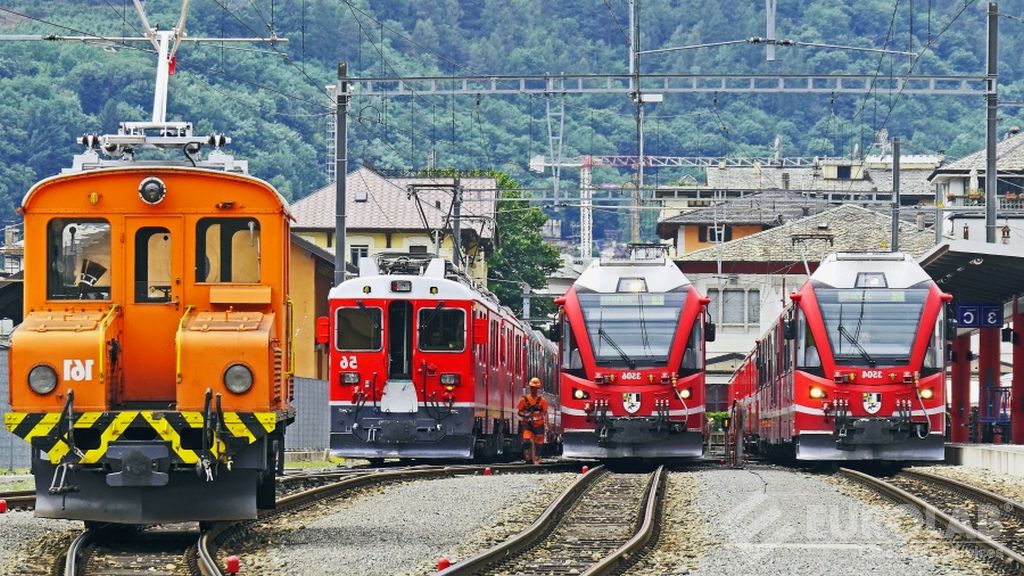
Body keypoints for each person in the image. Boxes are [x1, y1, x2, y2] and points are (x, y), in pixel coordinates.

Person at [517, 377, 548, 464]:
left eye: (535, 388)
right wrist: (525, 415)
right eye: (532, 388)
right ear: (530, 388)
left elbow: (545, 413)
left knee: (539, 444)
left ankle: (537, 457)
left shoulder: (542, 401)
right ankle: (528, 457)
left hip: (539, 425)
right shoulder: (524, 400)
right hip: (528, 425)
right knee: (526, 441)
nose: (534, 390)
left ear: (538, 389)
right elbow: (519, 412)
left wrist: (546, 425)